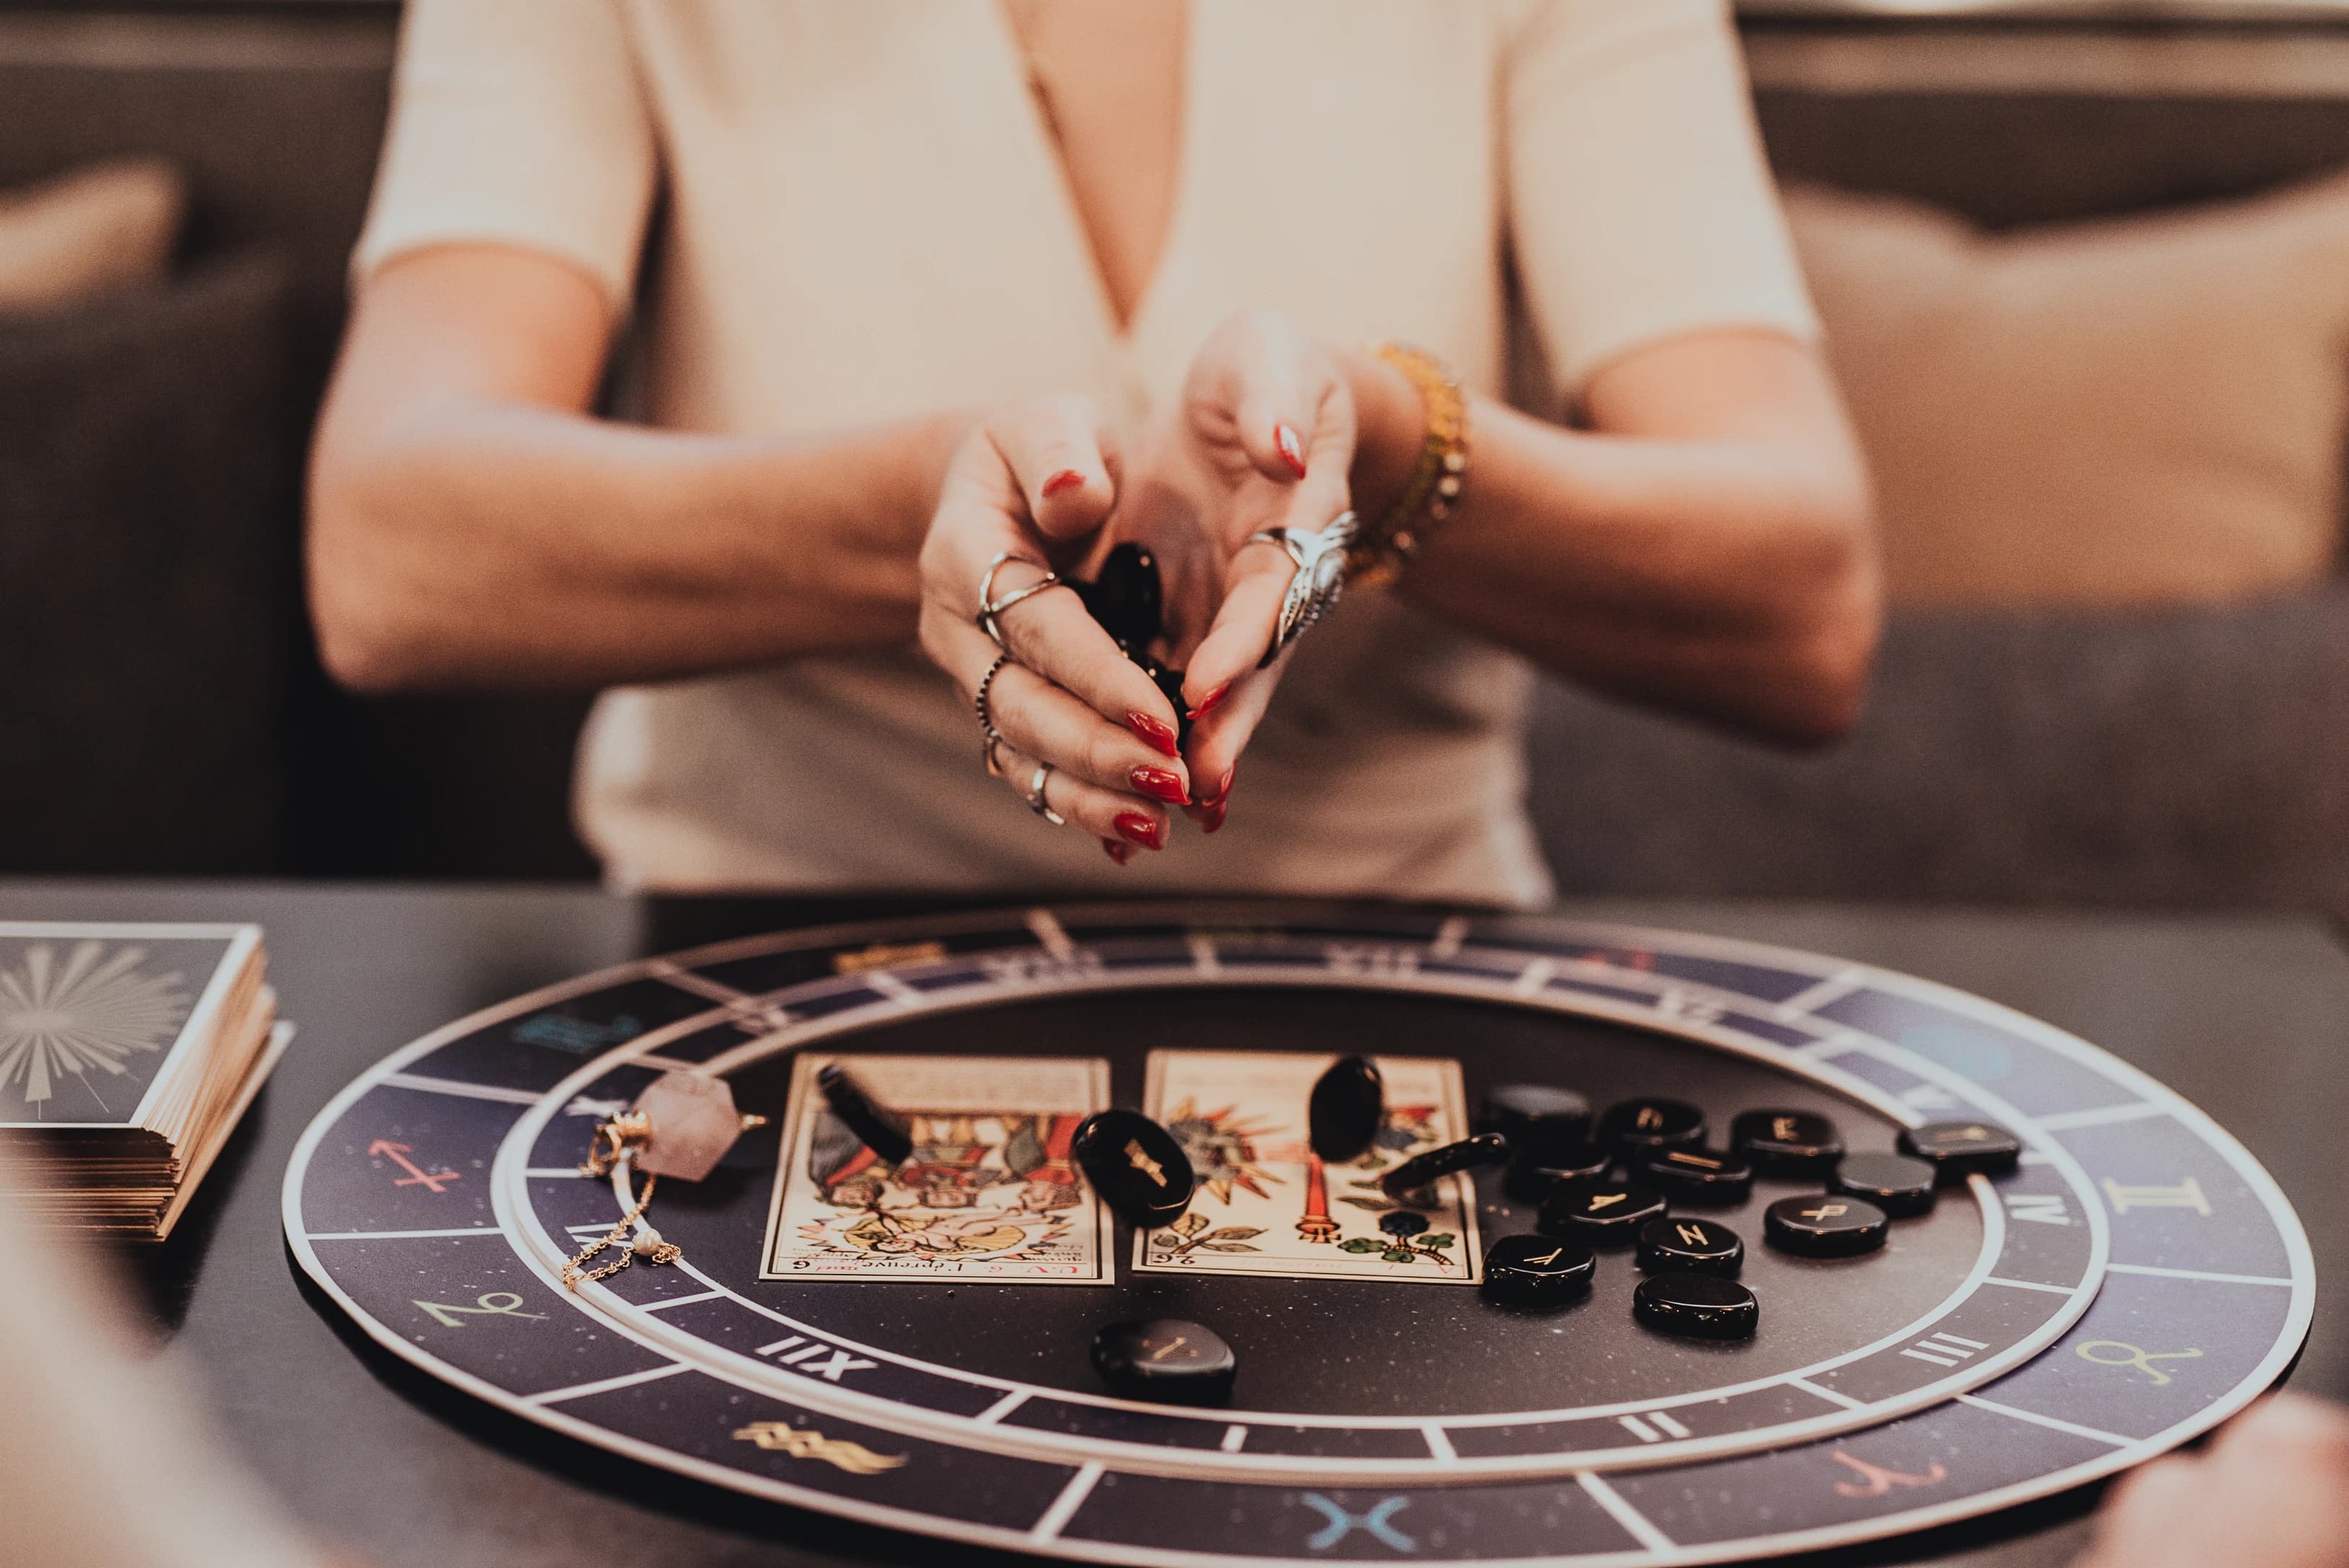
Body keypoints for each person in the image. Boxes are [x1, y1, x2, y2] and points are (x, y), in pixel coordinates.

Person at [308, 0, 1878, 903]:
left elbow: (1805, 601)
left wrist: (1385, 439)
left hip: (1400, 989)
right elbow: (390, 546)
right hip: (752, 979)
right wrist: (917, 500)